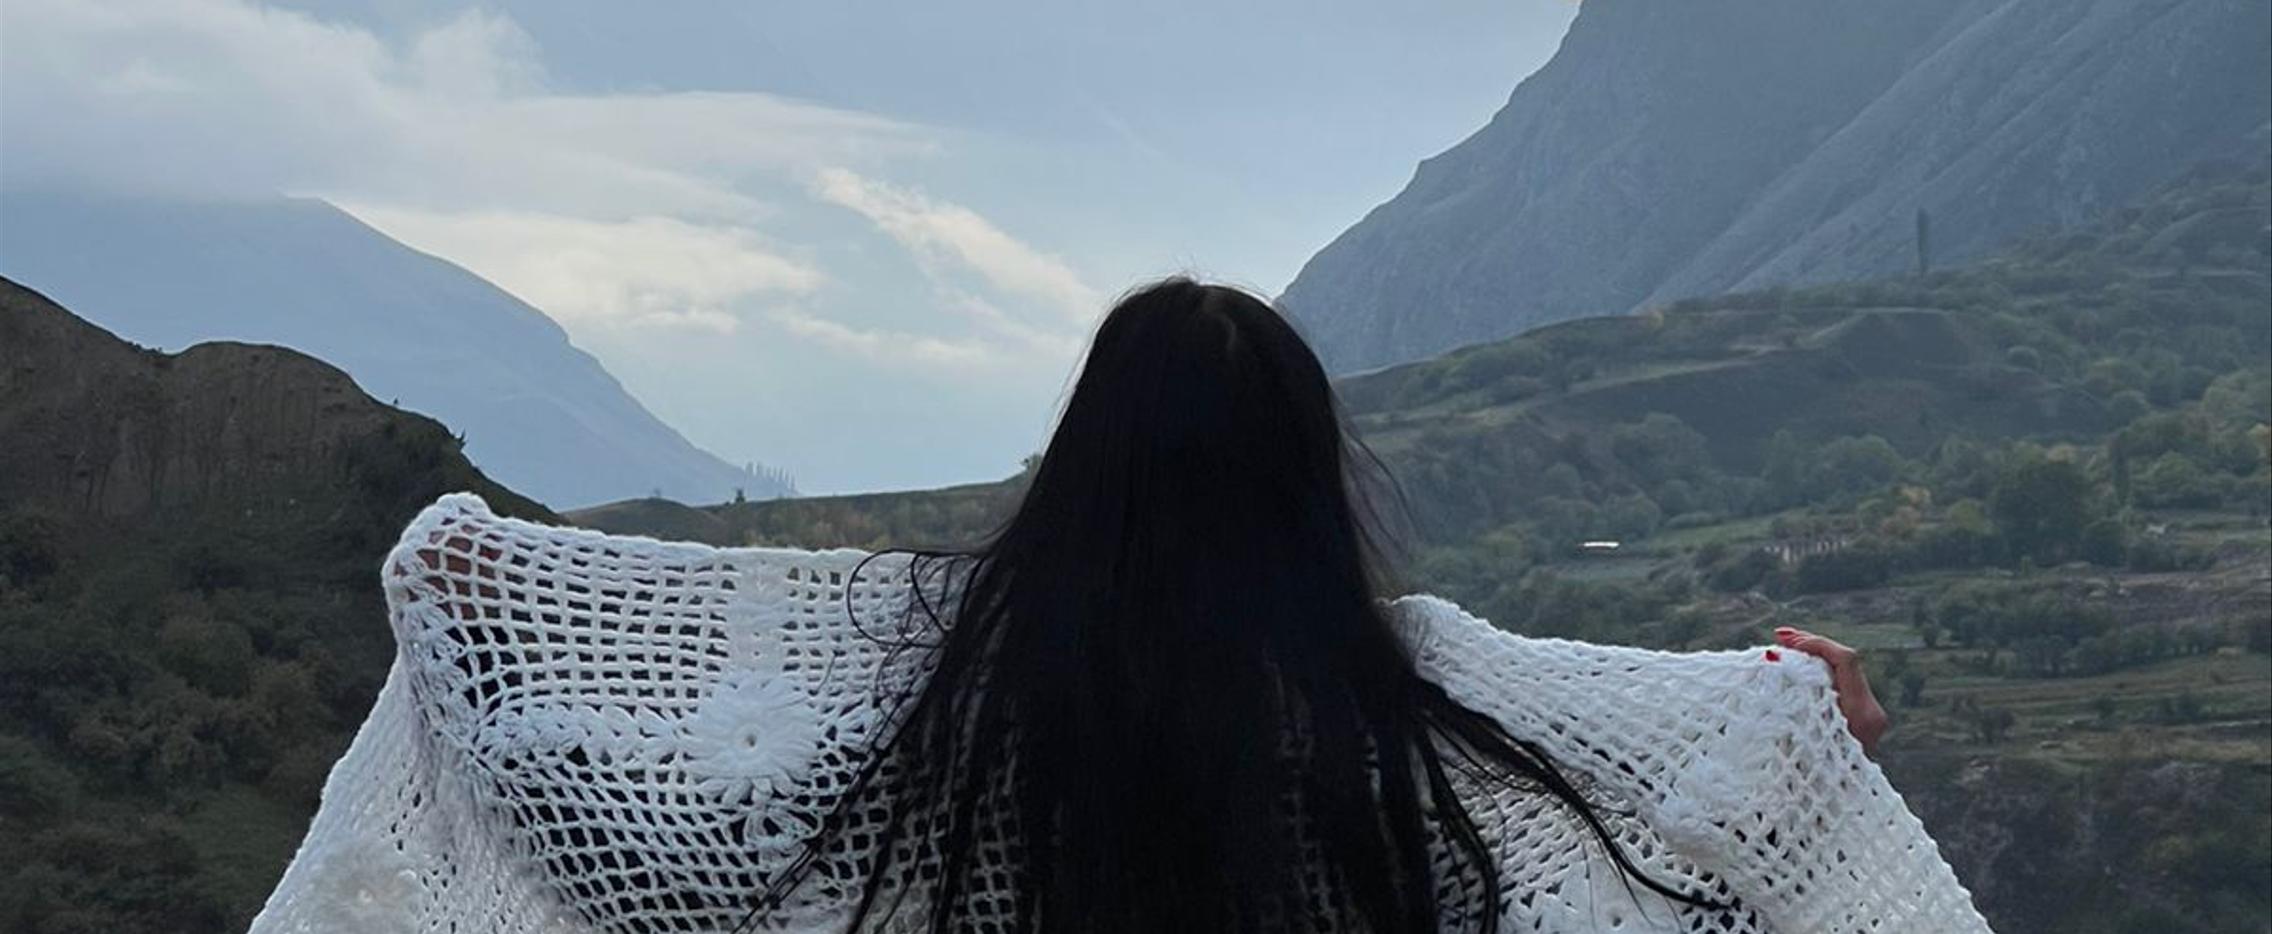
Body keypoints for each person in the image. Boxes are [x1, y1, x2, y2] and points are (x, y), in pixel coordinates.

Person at [251, 279, 1990, 933]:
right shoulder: (1412, 710)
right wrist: (1800, 733)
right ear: (1310, 480)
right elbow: (1668, 832)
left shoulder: (936, 692)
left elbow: (653, 824)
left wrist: (468, 610)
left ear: (1082, 461)